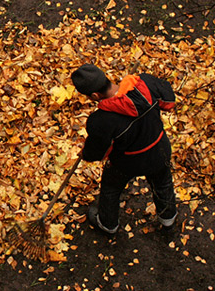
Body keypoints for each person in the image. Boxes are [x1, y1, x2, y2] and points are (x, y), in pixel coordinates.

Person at [71, 63, 178, 234]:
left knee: (111, 187)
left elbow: (98, 152)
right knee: (163, 184)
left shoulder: (100, 121)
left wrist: (86, 153)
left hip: (129, 161)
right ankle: (168, 221)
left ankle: (108, 224)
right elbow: (169, 102)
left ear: (94, 95)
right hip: (160, 149)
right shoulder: (144, 82)